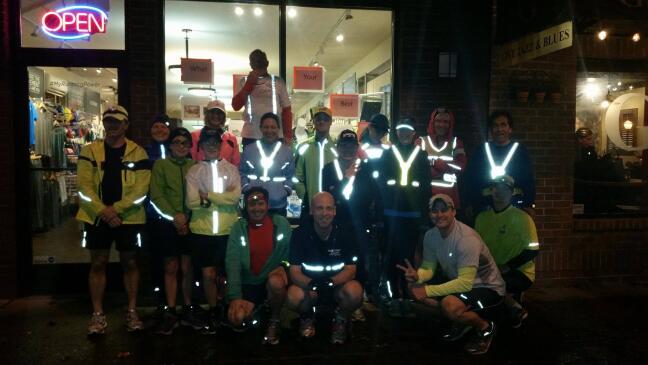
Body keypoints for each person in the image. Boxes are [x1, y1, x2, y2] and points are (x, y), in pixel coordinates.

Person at [399, 194, 505, 355]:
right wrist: (418, 276)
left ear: (454, 211)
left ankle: (485, 327)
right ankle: (461, 319)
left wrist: (427, 291)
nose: (439, 215)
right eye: (435, 211)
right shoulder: (431, 236)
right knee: (413, 287)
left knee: (449, 305)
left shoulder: (466, 239)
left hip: (488, 287)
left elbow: (465, 284)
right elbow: (429, 266)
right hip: (460, 283)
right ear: (430, 214)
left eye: (444, 210)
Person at [77, 105, 150, 335]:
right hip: (97, 218)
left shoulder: (138, 153)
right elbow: (83, 187)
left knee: (130, 263)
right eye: (108, 121)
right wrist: (103, 211)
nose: (112, 126)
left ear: (126, 124)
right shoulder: (89, 151)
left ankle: (131, 311)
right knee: (98, 263)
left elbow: (141, 190)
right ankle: (97, 315)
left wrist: (116, 210)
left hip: (128, 218)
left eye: (117, 122)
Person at [286, 192, 363, 345]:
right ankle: (307, 317)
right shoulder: (299, 234)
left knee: (355, 292)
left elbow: (351, 270)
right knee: (293, 297)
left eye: (328, 209)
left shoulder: (346, 233)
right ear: (311, 211)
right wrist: (312, 283)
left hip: (336, 287)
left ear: (334, 211)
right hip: (310, 289)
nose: (324, 213)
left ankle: (340, 319)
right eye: (319, 208)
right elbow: (294, 272)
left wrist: (330, 282)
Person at [185, 128, 241, 334]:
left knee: (225, 274)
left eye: (215, 142)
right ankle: (214, 310)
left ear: (221, 145)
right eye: (207, 142)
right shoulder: (194, 171)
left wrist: (207, 195)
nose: (211, 145)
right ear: (201, 146)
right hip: (202, 231)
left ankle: (226, 307)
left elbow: (235, 198)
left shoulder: (232, 170)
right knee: (208, 274)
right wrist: (222, 198)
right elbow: (191, 202)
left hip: (227, 230)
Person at [322, 129, 380, 321]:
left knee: (360, 263)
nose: (348, 149)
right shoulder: (328, 169)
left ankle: (357, 302)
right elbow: (329, 197)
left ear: (357, 147)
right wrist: (346, 179)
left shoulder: (366, 168)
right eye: (344, 145)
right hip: (336, 224)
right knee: (337, 262)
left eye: (352, 146)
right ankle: (336, 299)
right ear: (338, 147)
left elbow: (369, 196)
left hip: (359, 224)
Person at [149, 127, 200, 335]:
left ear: (190, 147)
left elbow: (198, 194)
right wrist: (175, 217)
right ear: (170, 145)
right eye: (177, 142)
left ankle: (187, 308)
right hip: (167, 224)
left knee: (187, 267)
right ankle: (171, 310)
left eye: (185, 143)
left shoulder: (194, 166)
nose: (181, 146)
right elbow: (157, 195)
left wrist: (187, 217)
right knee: (170, 267)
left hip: (189, 223)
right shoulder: (160, 165)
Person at [225, 187, 292, 345]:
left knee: (276, 282)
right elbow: (232, 262)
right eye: (252, 205)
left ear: (267, 205)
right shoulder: (238, 228)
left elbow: (290, 255)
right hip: (248, 284)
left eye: (261, 204)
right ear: (246, 207)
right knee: (237, 318)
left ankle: (274, 319)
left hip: (271, 281)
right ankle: (259, 309)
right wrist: (235, 297)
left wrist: (284, 266)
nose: (257, 209)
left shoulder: (281, 224)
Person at [379, 118, 431, 317]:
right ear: (396, 133)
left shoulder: (421, 155)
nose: (404, 134)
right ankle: (394, 297)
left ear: (413, 133)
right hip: (391, 214)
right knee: (391, 256)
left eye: (407, 130)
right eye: (400, 130)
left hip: (412, 216)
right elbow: (381, 184)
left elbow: (426, 186)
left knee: (408, 257)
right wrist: (381, 213)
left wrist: (424, 217)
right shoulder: (388, 154)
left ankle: (408, 296)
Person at [475, 176, 539, 328]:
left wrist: (506, 266)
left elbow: (533, 251)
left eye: (504, 189)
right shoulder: (481, 218)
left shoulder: (523, 218)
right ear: (491, 191)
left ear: (512, 193)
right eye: (496, 188)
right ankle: (507, 305)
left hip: (519, 272)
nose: (499, 192)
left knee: (485, 284)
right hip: (491, 270)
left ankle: (514, 308)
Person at [463, 110, 535, 219]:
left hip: (514, 205)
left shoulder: (520, 151)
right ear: (491, 130)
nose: (499, 129)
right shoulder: (481, 150)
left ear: (510, 129)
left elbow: (528, 178)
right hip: (485, 205)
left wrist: (529, 204)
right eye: (495, 126)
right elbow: (471, 178)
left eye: (503, 125)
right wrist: (469, 203)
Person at [232, 49, 292, 146]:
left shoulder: (278, 82)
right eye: (254, 61)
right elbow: (236, 105)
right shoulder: (243, 81)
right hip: (251, 135)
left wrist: (288, 135)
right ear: (251, 64)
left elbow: (287, 111)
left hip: (275, 135)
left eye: (260, 60)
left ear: (267, 63)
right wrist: (249, 84)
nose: (258, 63)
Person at [240, 112, 294, 216]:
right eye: (266, 127)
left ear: (278, 129)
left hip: (278, 205)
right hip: (254, 204)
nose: (269, 130)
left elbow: (291, 175)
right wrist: (247, 188)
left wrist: (286, 190)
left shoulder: (287, 152)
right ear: (261, 128)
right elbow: (242, 172)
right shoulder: (249, 150)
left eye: (273, 127)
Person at [294, 106, 338, 217]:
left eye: (325, 119)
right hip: (309, 207)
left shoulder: (337, 150)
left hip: (331, 208)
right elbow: (296, 177)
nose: (322, 121)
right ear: (313, 121)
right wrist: (305, 196)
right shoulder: (303, 147)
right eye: (318, 119)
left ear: (331, 122)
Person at [421, 108, 466, 207]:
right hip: (426, 196)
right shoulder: (421, 142)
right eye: (438, 121)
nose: (441, 125)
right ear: (432, 122)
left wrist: (436, 164)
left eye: (445, 122)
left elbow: (460, 167)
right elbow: (417, 168)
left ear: (450, 124)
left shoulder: (456, 143)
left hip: (450, 197)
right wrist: (446, 171)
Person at [190, 99, 240, 166]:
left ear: (224, 116)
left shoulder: (231, 138)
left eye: (219, 113)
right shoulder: (195, 136)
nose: (216, 115)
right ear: (207, 114)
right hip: (200, 175)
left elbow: (236, 164)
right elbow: (191, 163)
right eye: (212, 112)